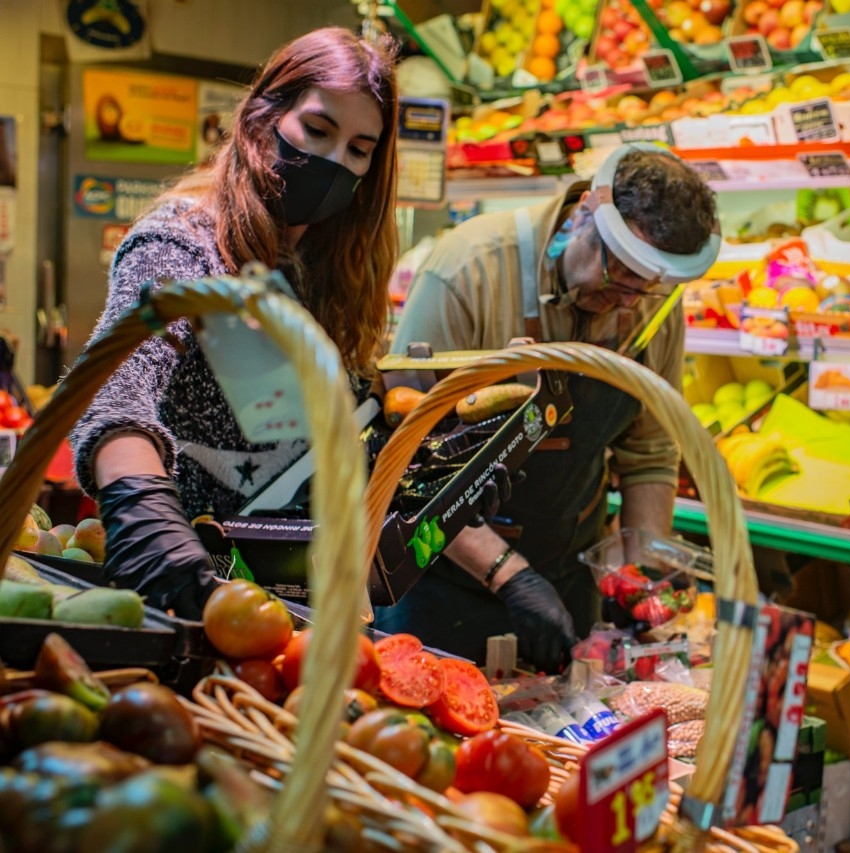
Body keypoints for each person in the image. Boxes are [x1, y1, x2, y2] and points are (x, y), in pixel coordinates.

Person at [69, 27, 400, 619]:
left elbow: (330, 426)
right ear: (261, 117)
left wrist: (428, 487)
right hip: (187, 592)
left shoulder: (330, 267)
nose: (333, 161)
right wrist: (144, 512)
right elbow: (113, 388)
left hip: (301, 594)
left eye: (359, 148)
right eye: (317, 130)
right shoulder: (181, 246)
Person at [378, 143, 720, 672]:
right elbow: (409, 459)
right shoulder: (470, 270)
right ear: (584, 214)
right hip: (441, 581)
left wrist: (638, 571)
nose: (628, 302)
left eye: (647, 288)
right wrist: (511, 575)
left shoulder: (651, 309)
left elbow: (649, 453)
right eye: (618, 275)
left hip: (567, 582)